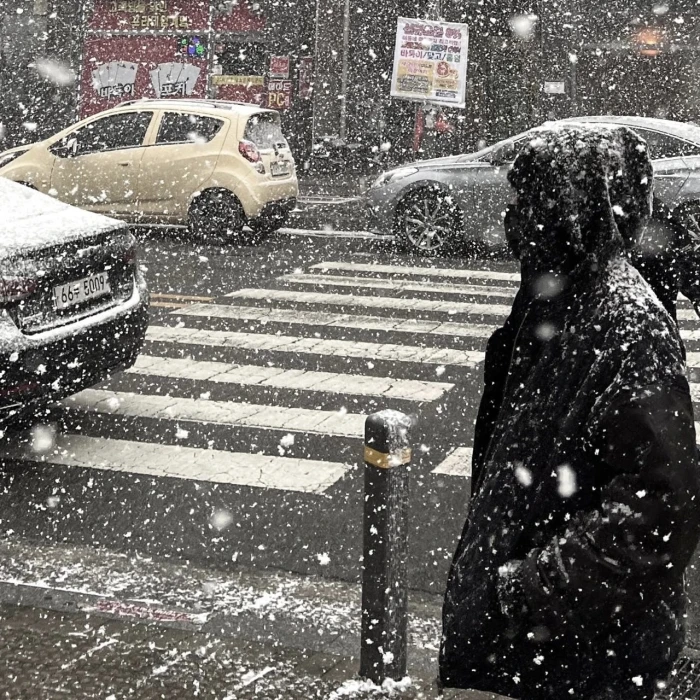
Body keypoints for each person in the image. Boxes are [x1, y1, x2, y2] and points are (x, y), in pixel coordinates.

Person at [440, 124, 700, 700]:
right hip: (543, 647)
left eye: (533, 200)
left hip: (579, 655)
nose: (516, 217)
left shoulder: (626, 323)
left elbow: (660, 505)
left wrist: (529, 591)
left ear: (578, 210)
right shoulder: (553, 297)